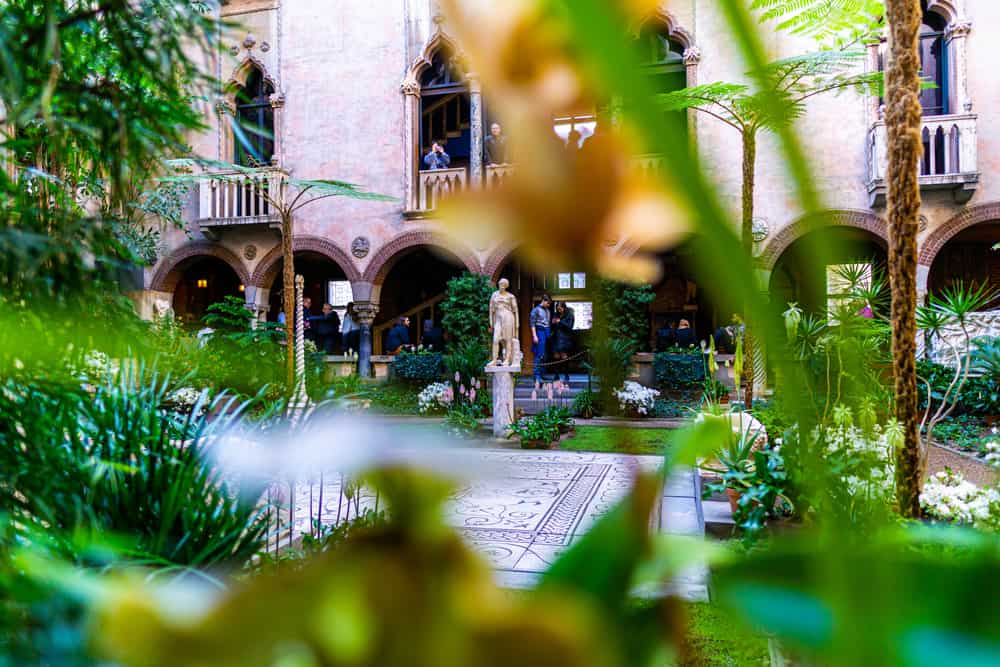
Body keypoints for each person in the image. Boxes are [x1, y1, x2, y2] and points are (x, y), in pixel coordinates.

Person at [550, 301, 575, 382]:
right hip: (556, 338)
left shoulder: (570, 315)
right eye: (557, 309)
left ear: (564, 308)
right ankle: (556, 375)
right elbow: (553, 326)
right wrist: (553, 322)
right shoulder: (556, 314)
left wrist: (560, 322)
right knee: (556, 357)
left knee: (564, 357)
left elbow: (570, 326)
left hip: (565, 339)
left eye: (560, 308)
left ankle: (566, 375)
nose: (559, 310)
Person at [530, 294, 552, 381]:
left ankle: (542, 374)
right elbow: (532, 324)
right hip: (539, 331)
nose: (549, 305)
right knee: (539, 354)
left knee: (545, 355)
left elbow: (548, 322)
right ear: (543, 301)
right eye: (548, 303)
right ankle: (537, 375)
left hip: (547, 331)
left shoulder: (548, 311)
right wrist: (534, 336)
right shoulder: (535, 310)